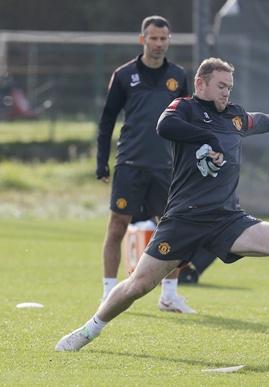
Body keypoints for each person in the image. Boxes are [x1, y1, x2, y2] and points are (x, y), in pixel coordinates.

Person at [55, 57, 269, 353]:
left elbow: (254, 121)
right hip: (184, 219)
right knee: (139, 285)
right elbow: (164, 126)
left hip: (226, 219)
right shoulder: (184, 108)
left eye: (229, 87)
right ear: (200, 84)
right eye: (221, 86)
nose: (226, 92)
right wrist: (206, 139)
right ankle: (90, 328)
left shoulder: (232, 116)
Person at [96, 15, 202, 313]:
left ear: (169, 41)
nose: (158, 44)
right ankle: (108, 292)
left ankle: (169, 295)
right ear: (142, 39)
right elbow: (107, 121)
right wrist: (101, 162)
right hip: (130, 163)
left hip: (166, 168)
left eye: (163, 38)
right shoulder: (123, 75)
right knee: (117, 227)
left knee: (173, 229)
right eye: (153, 38)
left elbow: (186, 122)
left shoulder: (178, 76)